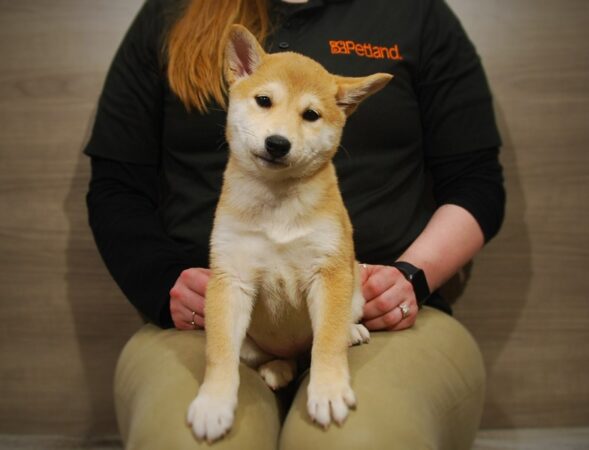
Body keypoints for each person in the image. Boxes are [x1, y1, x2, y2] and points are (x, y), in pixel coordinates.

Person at [85, 0, 505, 448]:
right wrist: (164, 282)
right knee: (190, 442)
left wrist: (410, 277)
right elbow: (117, 188)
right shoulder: (172, 11)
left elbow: (476, 185)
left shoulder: (415, 13)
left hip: (378, 319)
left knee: (353, 440)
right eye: (264, 102)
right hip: (206, 323)